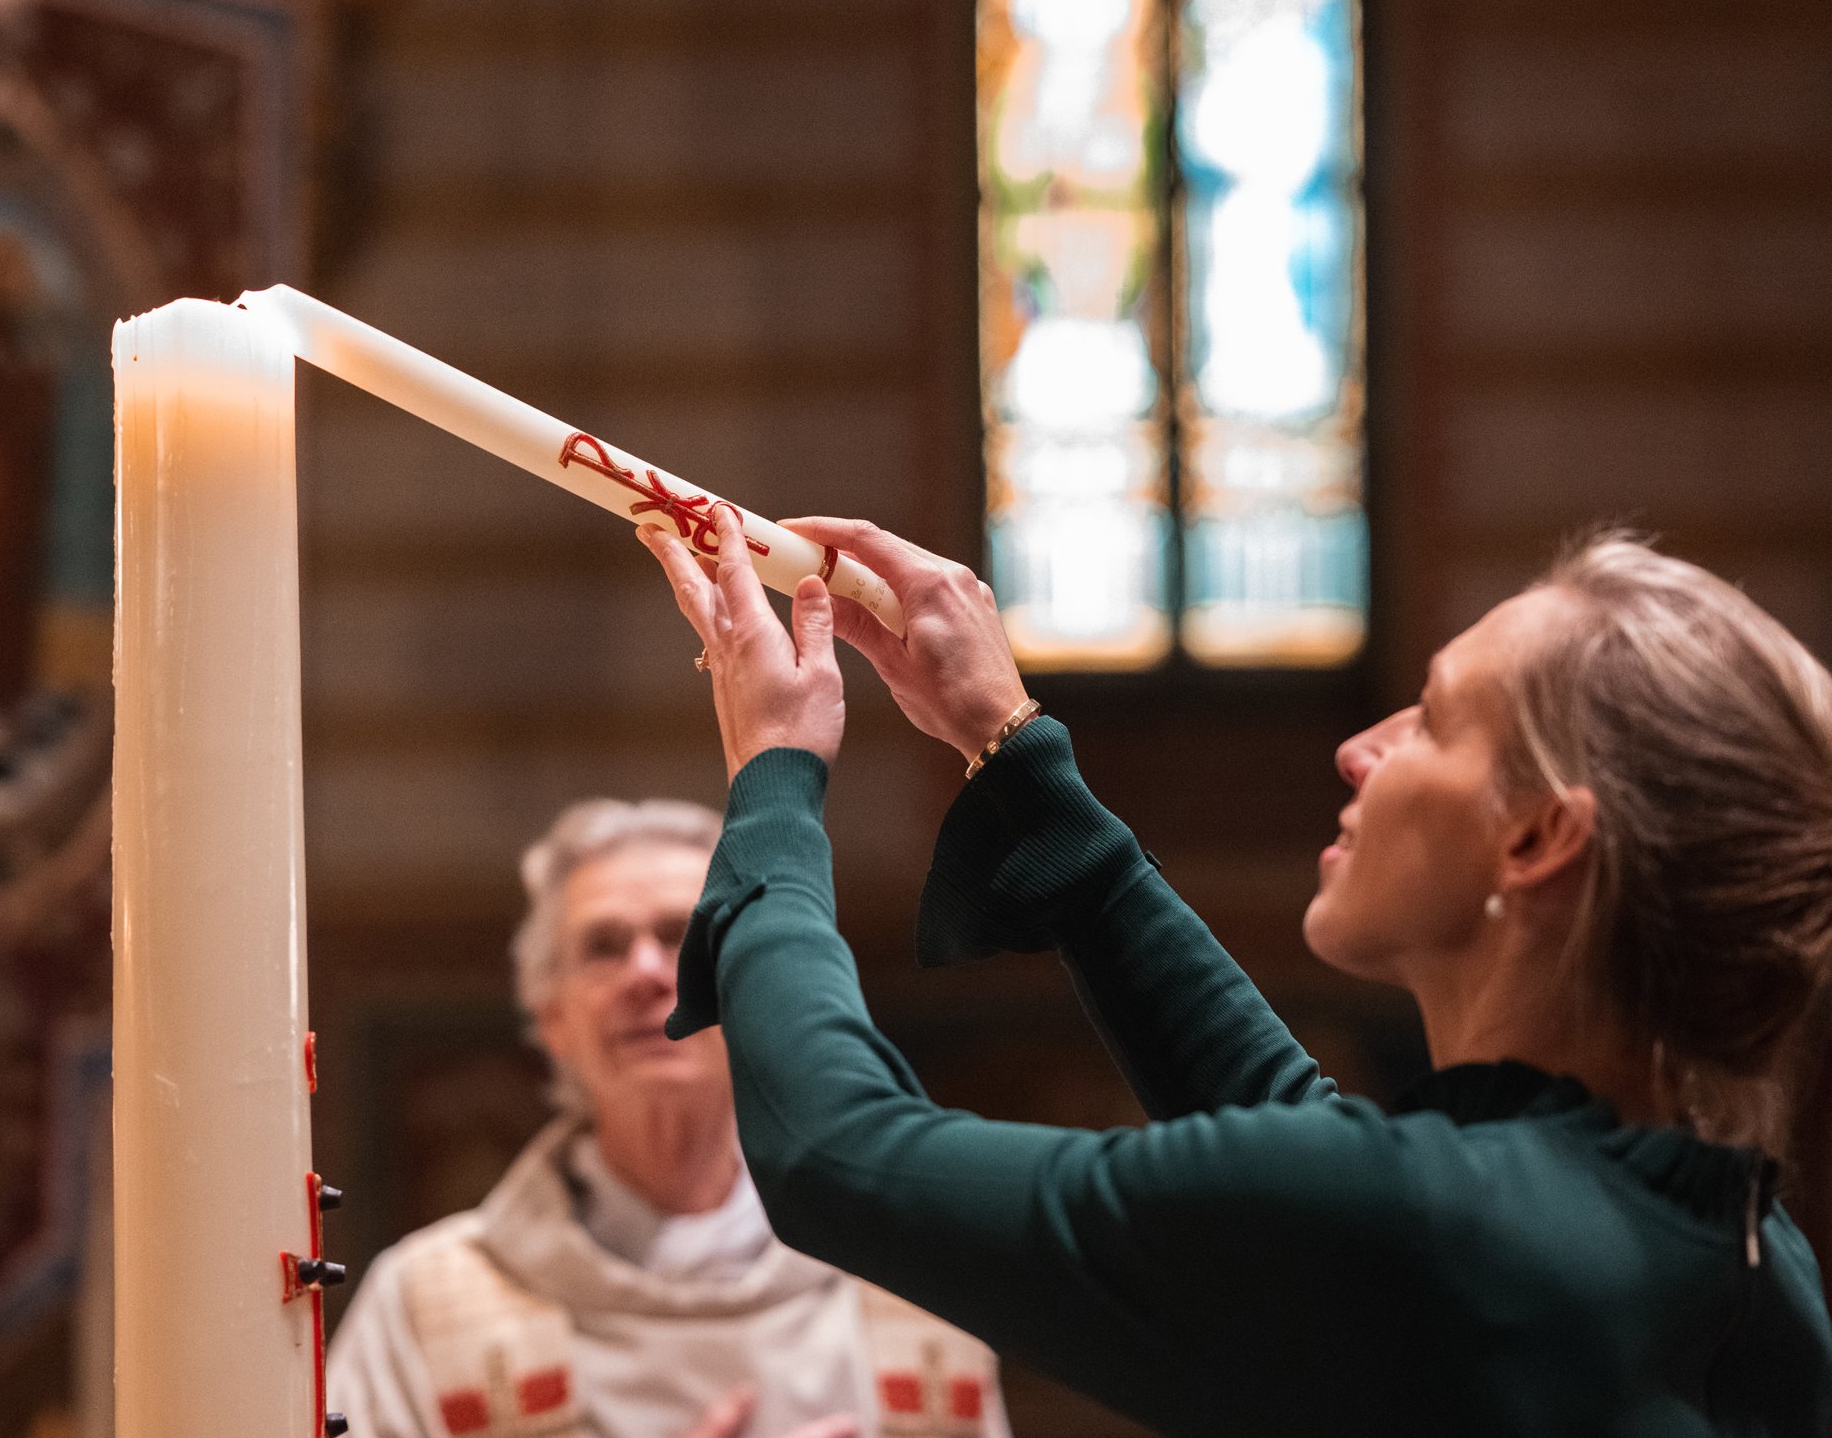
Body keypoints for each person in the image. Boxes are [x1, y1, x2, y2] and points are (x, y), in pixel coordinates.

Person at [639, 509, 1832, 1437]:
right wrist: (1006, 743)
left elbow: (840, 1156)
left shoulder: (1444, 1227)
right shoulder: (1743, 1244)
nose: (1361, 748)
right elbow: (1300, 1137)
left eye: (1435, 720)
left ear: (1536, 840)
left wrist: (776, 782)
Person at [327, 798, 1010, 1438]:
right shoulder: (420, 1303)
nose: (647, 971)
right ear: (552, 1017)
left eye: (683, 935)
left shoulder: (907, 1277)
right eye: (604, 946)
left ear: (759, 991)